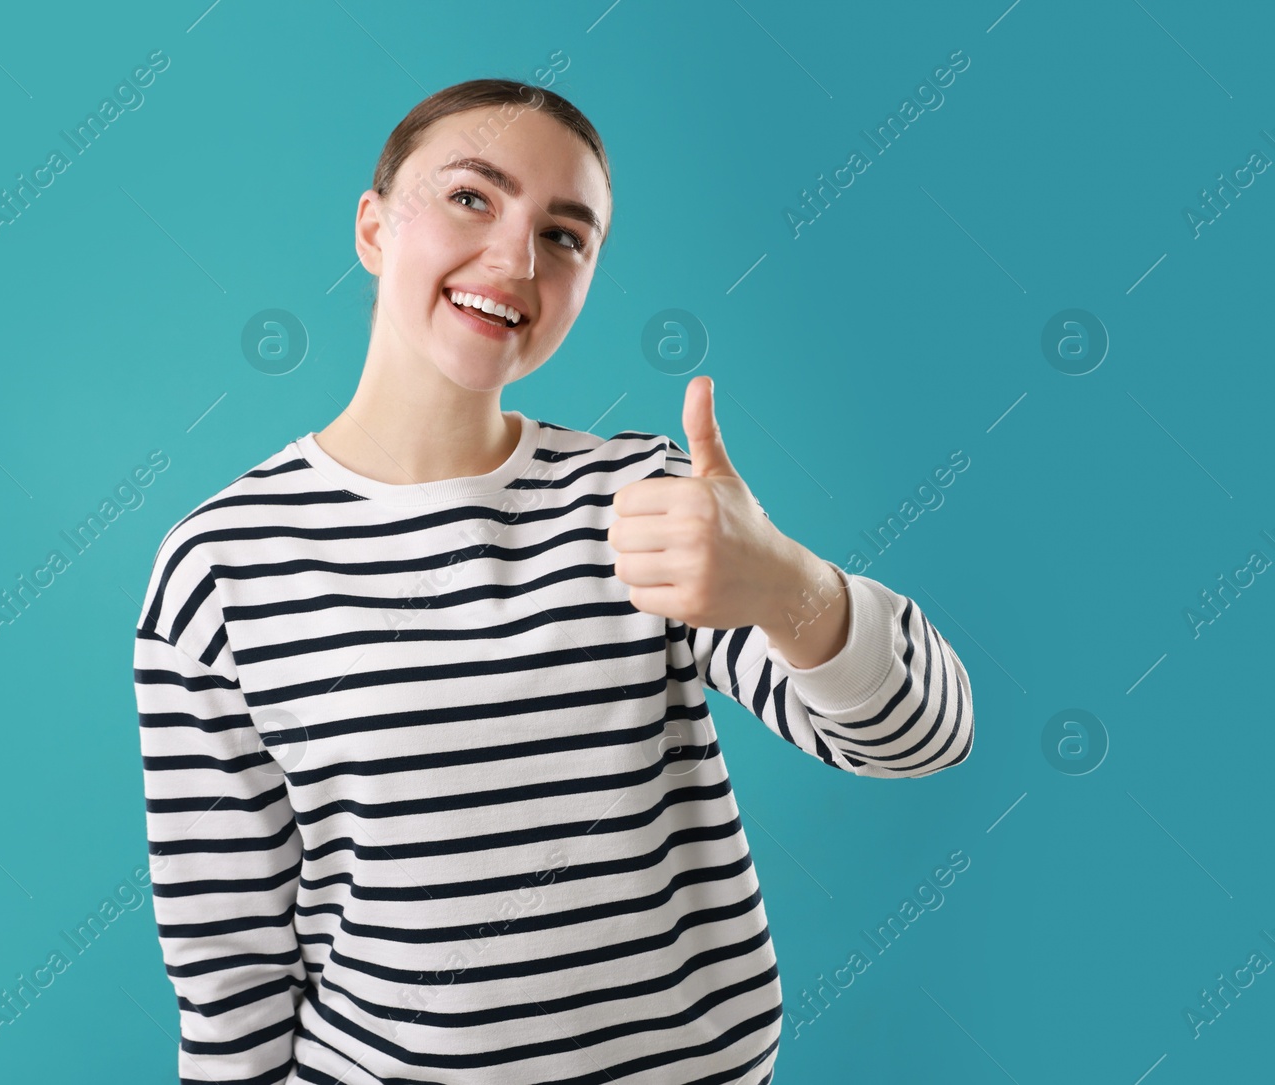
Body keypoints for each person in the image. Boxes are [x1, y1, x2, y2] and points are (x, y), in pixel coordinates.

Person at [134, 78, 974, 1085]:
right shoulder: (222, 564)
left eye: (565, 234)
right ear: (372, 225)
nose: (515, 258)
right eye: (471, 197)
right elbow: (228, 963)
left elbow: (922, 737)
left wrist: (785, 584)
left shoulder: (642, 498)